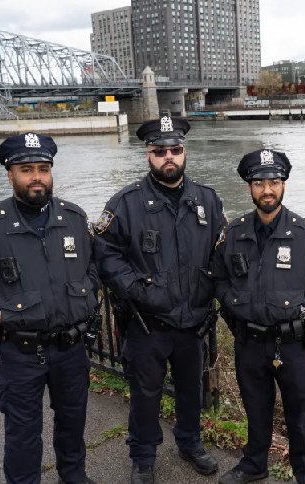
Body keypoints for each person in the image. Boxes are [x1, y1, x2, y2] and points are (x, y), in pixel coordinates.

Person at [0, 132, 99, 484]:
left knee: (73, 424)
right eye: (26, 169)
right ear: (10, 174)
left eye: (43, 168)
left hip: (72, 348)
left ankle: (74, 478)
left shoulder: (74, 218)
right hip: (22, 351)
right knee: (23, 435)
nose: (36, 177)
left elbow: (93, 267)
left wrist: (87, 293)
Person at [93, 116, 224, 484]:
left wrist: (212, 287)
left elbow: (221, 250)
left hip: (193, 319)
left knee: (190, 389)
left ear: (184, 152)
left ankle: (190, 443)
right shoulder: (125, 203)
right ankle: (143, 456)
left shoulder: (208, 201)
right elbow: (105, 254)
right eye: (160, 151)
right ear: (147, 154)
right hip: (147, 323)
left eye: (175, 150)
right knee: (145, 394)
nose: (169, 157)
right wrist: (137, 289)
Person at [212, 149, 305, 484]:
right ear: (249, 188)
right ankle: (254, 465)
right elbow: (217, 279)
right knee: (255, 409)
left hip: (292, 345)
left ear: (284, 184)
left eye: (274, 181)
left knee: (302, 415)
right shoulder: (234, 233)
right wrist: (234, 303)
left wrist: (303, 307)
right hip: (249, 342)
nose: (267, 190)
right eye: (260, 183)